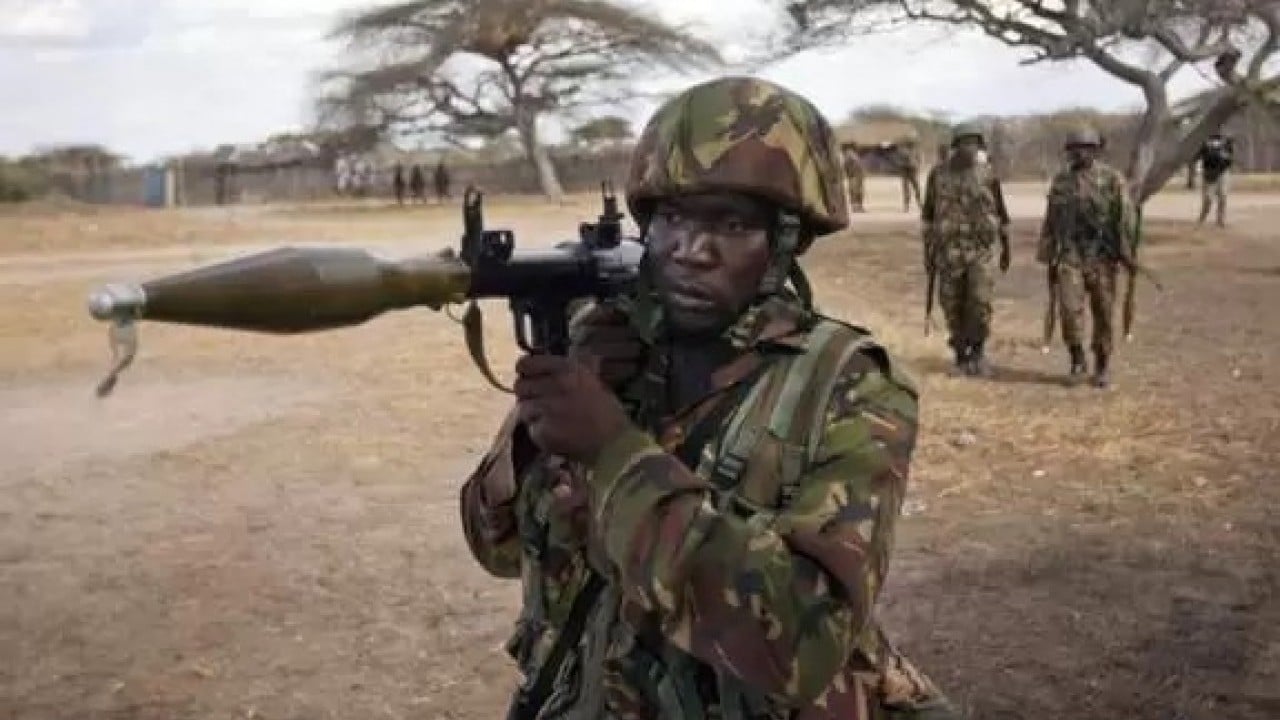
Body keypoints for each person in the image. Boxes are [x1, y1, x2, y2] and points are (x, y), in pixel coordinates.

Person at [459, 76, 957, 720]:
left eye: (730, 223)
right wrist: (536, 430)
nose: (691, 251)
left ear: (786, 240)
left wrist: (613, 452)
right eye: (672, 218)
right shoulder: (612, 358)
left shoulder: (847, 384)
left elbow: (804, 643)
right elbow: (493, 547)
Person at [1038, 126, 1136, 389]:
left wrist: (1127, 252)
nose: (1080, 153)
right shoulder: (1060, 181)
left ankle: (1102, 364)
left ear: (1095, 150)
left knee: (1104, 312)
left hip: (1102, 255)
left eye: (1085, 148)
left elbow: (1126, 218)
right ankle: (1077, 360)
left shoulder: (1112, 179)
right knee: (1069, 310)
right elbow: (1050, 220)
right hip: (1070, 255)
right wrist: (1047, 254)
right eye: (1075, 149)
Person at [920, 123, 1011, 377]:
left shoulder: (988, 175)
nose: (969, 148)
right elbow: (928, 215)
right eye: (964, 143)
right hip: (948, 253)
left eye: (974, 143)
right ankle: (961, 355)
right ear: (955, 146)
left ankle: (978, 352)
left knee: (980, 302)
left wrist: (1006, 250)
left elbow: (1002, 215)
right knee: (952, 305)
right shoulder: (938, 175)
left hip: (980, 251)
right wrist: (927, 252)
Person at [1196, 132, 1234, 227]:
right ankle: (1202, 218)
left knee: (1223, 196)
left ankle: (1220, 220)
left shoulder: (1225, 142)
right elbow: (1199, 156)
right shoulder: (1205, 142)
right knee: (1208, 198)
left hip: (1222, 172)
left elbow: (1230, 158)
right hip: (1209, 173)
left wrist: (1225, 157)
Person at [893, 140, 922, 213]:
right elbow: (898, 161)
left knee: (915, 187)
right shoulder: (903, 152)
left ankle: (918, 203)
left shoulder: (915, 151)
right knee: (907, 188)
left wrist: (917, 166)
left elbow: (919, 160)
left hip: (912, 170)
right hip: (906, 170)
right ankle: (907, 205)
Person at [842, 143, 866, 213]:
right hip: (854, 176)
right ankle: (855, 207)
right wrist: (849, 174)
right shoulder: (849, 156)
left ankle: (858, 206)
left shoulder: (853, 156)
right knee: (855, 192)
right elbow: (846, 166)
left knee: (858, 191)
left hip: (857, 176)